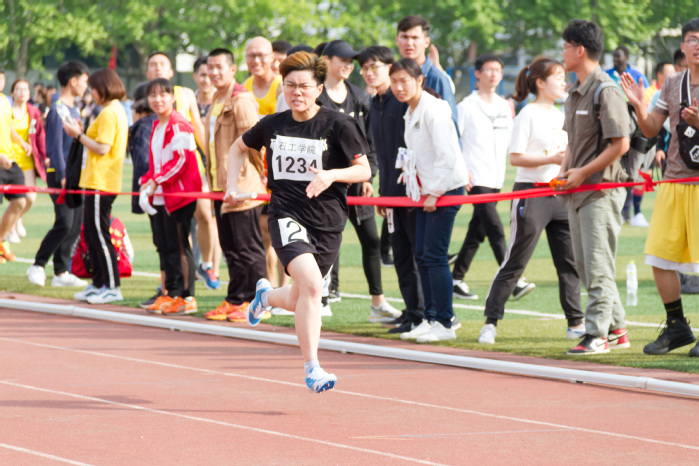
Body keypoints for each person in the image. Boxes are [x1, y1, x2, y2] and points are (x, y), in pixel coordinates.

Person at [226, 51, 371, 392]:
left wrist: (331, 175)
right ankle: (313, 368)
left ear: (318, 88)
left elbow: (363, 169)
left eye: (304, 86)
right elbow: (237, 148)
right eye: (289, 85)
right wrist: (233, 185)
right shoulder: (273, 125)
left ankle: (266, 296)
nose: (296, 92)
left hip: (328, 221)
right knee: (313, 286)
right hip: (286, 213)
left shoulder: (338, 124)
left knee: (302, 294)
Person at [478, 58, 584, 344]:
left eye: (565, 76)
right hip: (531, 194)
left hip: (560, 194)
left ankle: (576, 322)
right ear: (540, 82)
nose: (564, 82)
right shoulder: (528, 114)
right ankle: (490, 322)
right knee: (516, 261)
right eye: (558, 77)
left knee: (569, 262)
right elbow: (516, 157)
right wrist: (551, 158)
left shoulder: (563, 113)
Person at [620, 18, 699, 356]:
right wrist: (638, 103)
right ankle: (677, 326)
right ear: (682, 47)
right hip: (674, 179)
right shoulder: (673, 83)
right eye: (693, 39)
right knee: (660, 257)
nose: (698, 45)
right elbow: (652, 129)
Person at [560, 19, 631, 355]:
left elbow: (620, 144)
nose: (561, 53)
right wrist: (564, 173)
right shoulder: (575, 91)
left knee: (598, 264)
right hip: (578, 189)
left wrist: (582, 172)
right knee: (586, 265)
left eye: (564, 46)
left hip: (601, 191)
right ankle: (616, 329)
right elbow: (573, 142)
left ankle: (597, 334)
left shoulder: (606, 89)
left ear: (579, 49)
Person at [388, 58, 470, 342]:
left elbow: (448, 156)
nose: (399, 88)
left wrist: (434, 193)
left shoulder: (434, 111)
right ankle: (431, 316)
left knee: (434, 255)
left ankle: (445, 322)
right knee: (422, 254)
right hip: (426, 193)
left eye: (404, 81)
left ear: (419, 80)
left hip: (445, 191)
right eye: (394, 82)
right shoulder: (410, 112)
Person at [318, 39, 400, 323]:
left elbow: (370, 142)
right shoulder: (316, 95)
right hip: (325, 185)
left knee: (372, 241)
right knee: (325, 240)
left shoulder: (360, 98)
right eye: (344, 59)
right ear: (326, 60)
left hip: (357, 182)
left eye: (353, 60)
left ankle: (378, 303)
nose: (349, 65)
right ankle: (321, 297)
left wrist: (369, 175)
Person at [451, 54, 534, 301]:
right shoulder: (466, 106)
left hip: (496, 179)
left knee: (477, 231)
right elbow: (455, 141)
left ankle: (455, 278)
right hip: (476, 179)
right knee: (496, 229)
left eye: (498, 69)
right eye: (488, 69)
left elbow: (512, 141)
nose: (494, 74)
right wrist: (462, 170)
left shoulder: (503, 106)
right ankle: (513, 280)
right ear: (477, 73)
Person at [358, 45, 426, 334]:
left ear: (390, 67)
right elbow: (381, 153)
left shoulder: (404, 103)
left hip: (413, 192)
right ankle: (411, 312)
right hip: (390, 193)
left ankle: (425, 314)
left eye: (375, 67)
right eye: (365, 68)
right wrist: (382, 192)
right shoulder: (375, 104)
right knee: (399, 255)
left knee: (417, 254)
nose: (369, 73)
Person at [202, 48, 267, 322]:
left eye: (219, 67)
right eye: (210, 68)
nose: (214, 73)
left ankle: (256, 302)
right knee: (230, 246)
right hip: (221, 185)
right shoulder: (217, 99)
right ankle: (235, 298)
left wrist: (261, 175)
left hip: (242, 185)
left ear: (232, 69)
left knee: (247, 246)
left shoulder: (241, 100)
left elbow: (255, 142)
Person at [147, 52, 219, 292]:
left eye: (162, 64)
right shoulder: (148, 100)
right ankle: (170, 286)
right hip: (162, 173)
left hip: (187, 165)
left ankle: (205, 265)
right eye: (152, 65)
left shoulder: (184, 96)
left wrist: (208, 159)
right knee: (169, 236)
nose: (157, 68)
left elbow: (197, 125)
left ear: (171, 70)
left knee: (203, 216)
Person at [63, 68, 129, 304]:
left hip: (102, 181)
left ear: (103, 87)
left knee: (99, 235)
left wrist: (77, 134)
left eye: (93, 88)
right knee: (91, 234)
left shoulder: (111, 112)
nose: (91, 93)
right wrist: (81, 132)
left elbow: (102, 148)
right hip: (96, 180)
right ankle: (99, 282)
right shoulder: (110, 111)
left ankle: (112, 285)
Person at [140, 78, 202, 315]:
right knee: (164, 245)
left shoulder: (179, 124)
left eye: (163, 94)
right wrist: (147, 179)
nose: (157, 99)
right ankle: (171, 293)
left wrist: (156, 180)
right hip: (161, 195)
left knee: (178, 245)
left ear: (173, 97)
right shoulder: (157, 125)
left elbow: (182, 160)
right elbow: (157, 163)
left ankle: (187, 296)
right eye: (153, 95)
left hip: (180, 194)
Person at [27, 60, 90, 288]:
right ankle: (37, 264)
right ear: (72, 81)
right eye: (84, 81)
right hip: (60, 174)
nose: (86, 86)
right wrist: (63, 176)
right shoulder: (58, 110)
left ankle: (61, 272)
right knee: (64, 222)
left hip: (76, 174)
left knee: (75, 224)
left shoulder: (74, 109)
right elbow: (54, 147)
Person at [191, 55, 222, 291]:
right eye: (202, 74)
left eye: (209, 74)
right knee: (201, 217)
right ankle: (201, 264)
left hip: (216, 167)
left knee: (214, 219)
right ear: (195, 77)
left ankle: (212, 268)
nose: (206, 79)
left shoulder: (222, 102)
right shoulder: (186, 101)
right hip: (192, 167)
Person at [395, 15, 458, 128]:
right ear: (397, 40)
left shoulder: (435, 78)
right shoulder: (394, 78)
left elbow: (450, 125)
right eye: (404, 37)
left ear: (426, 42)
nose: (409, 43)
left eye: (415, 38)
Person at [7, 79, 46, 243]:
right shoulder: (6, 111)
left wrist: (45, 155)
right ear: (12, 93)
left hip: (28, 159)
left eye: (25, 89)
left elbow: (39, 136)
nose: (22, 92)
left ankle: (14, 221)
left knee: (30, 197)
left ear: (29, 93)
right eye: (18, 89)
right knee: (18, 199)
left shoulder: (33, 112)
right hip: (10, 159)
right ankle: (9, 228)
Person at [0, 84, 29, 262]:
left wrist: (21, 142)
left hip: (10, 161)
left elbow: (9, 128)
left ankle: (1, 241)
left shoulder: (4, 101)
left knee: (20, 201)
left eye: (2, 78)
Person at [244, 37, 283, 116]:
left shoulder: (281, 87)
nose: (256, 61)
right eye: (251, 56)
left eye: (261, 55)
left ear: (272, 57)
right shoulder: (244, 87)